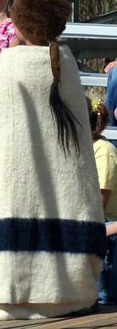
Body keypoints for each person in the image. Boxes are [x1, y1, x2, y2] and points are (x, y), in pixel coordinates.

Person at [0, 0, 106, 320]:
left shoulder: (10, 66)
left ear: (19, 25)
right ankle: (57, 282)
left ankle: (11, 282)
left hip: (3, 287)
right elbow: (77, 162)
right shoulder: (66, 66)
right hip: (70, 290)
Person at [88, 98, 117, 305]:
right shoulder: (86, 149)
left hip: (104, 228)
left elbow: (99, 205)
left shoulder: (103, 151)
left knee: (102, 300)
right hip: (93, 224)